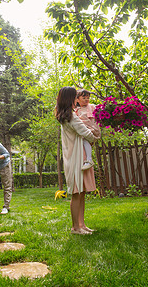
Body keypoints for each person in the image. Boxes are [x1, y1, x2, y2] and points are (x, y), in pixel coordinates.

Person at [55, 86, 100, 235]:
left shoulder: (67, 115)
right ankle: (75, 227)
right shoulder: (71, 117)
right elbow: (86, 133)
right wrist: (95, 136)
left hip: (78, 156)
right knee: (76, 193)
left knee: (81, 193)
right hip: (76, 158)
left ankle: (82, 224)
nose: (77, 99)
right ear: (70, 99)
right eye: (75, 97)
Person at [75, 89, 101, 170]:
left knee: (84, 139)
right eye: (84, 98)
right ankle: (88, 159)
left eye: (88, 98)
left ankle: (89, 159)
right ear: (77, 100)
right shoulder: (77, 110)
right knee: (84, 140)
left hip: (92, 129)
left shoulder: (92, 106)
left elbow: (100, 111)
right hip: (85, 130)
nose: (86, 99)